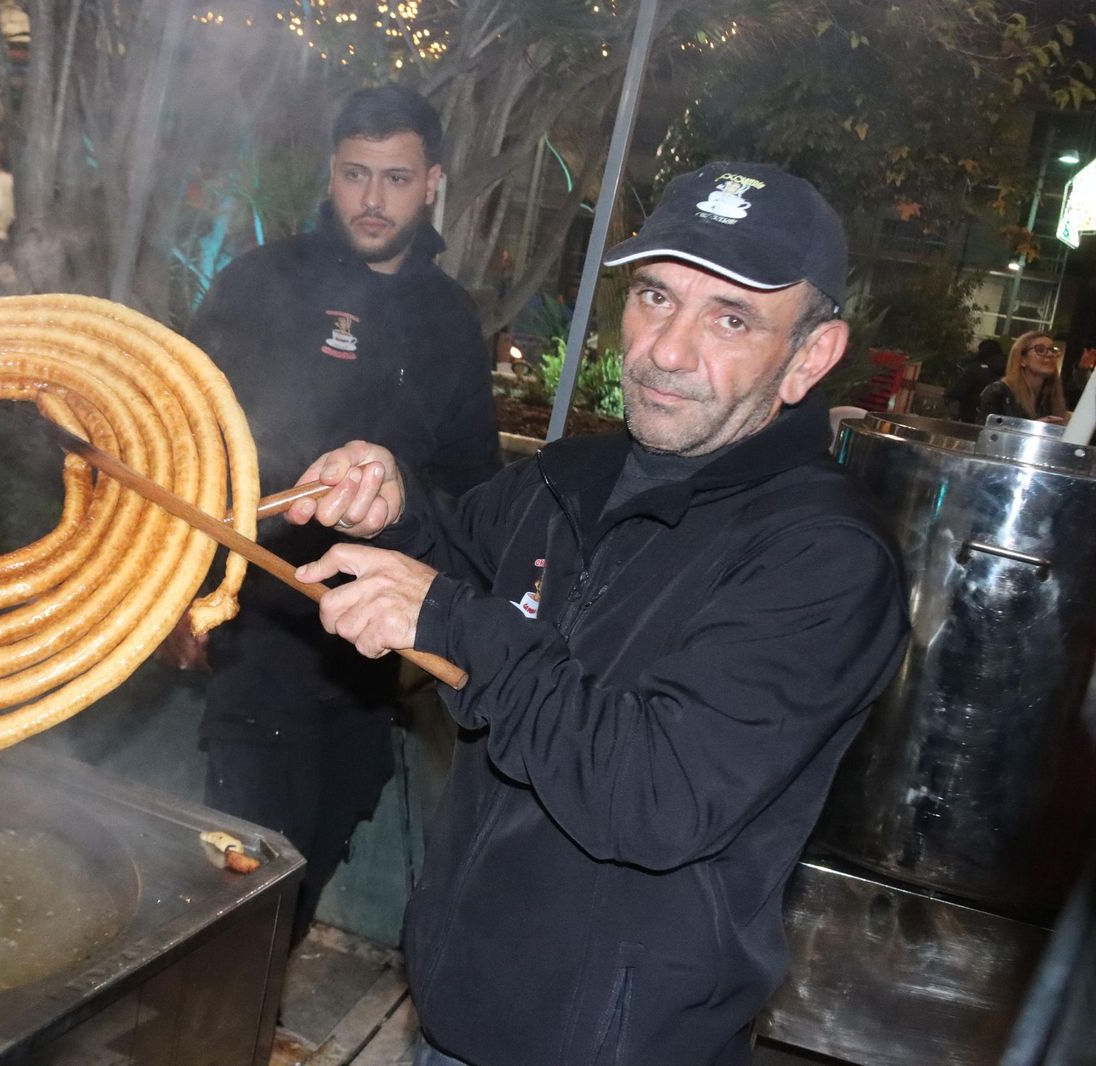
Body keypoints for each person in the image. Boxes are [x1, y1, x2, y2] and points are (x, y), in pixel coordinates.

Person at [282, 162, 909, 1065]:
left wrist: (451, 619)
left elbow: (658, 794)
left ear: (810, 355)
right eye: (655, 296)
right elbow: (457, 575)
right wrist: (396, 512)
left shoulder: (825, 559)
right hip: (455, 1009)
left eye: (730, 319)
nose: (665, 350)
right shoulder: (568, 478)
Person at [181, 85, 499, 944]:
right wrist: (184, 592)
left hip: (372, 654)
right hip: (263, 627)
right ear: (331, 171)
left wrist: (435, 637)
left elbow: (473, 488)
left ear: (431, 182)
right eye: (355, 174)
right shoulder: (261, 280)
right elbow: (188, 439)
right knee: (242, 869)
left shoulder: (450, 321)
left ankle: (254, 1006)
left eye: (395, 178)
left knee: (322, 844)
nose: (372, 198)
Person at [978, 330, 1069, 424]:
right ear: (1022, 360)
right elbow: (988, 433)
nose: (1050, 355)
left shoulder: (1052, 397)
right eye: (1040, 350)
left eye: (1053, 350)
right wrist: (1033, 427)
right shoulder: (998, 393)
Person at [945, 337, 1006, 423]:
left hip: (971, 420)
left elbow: (957, 391)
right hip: (998, 422)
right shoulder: (1008, 371)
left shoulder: (975, 369)